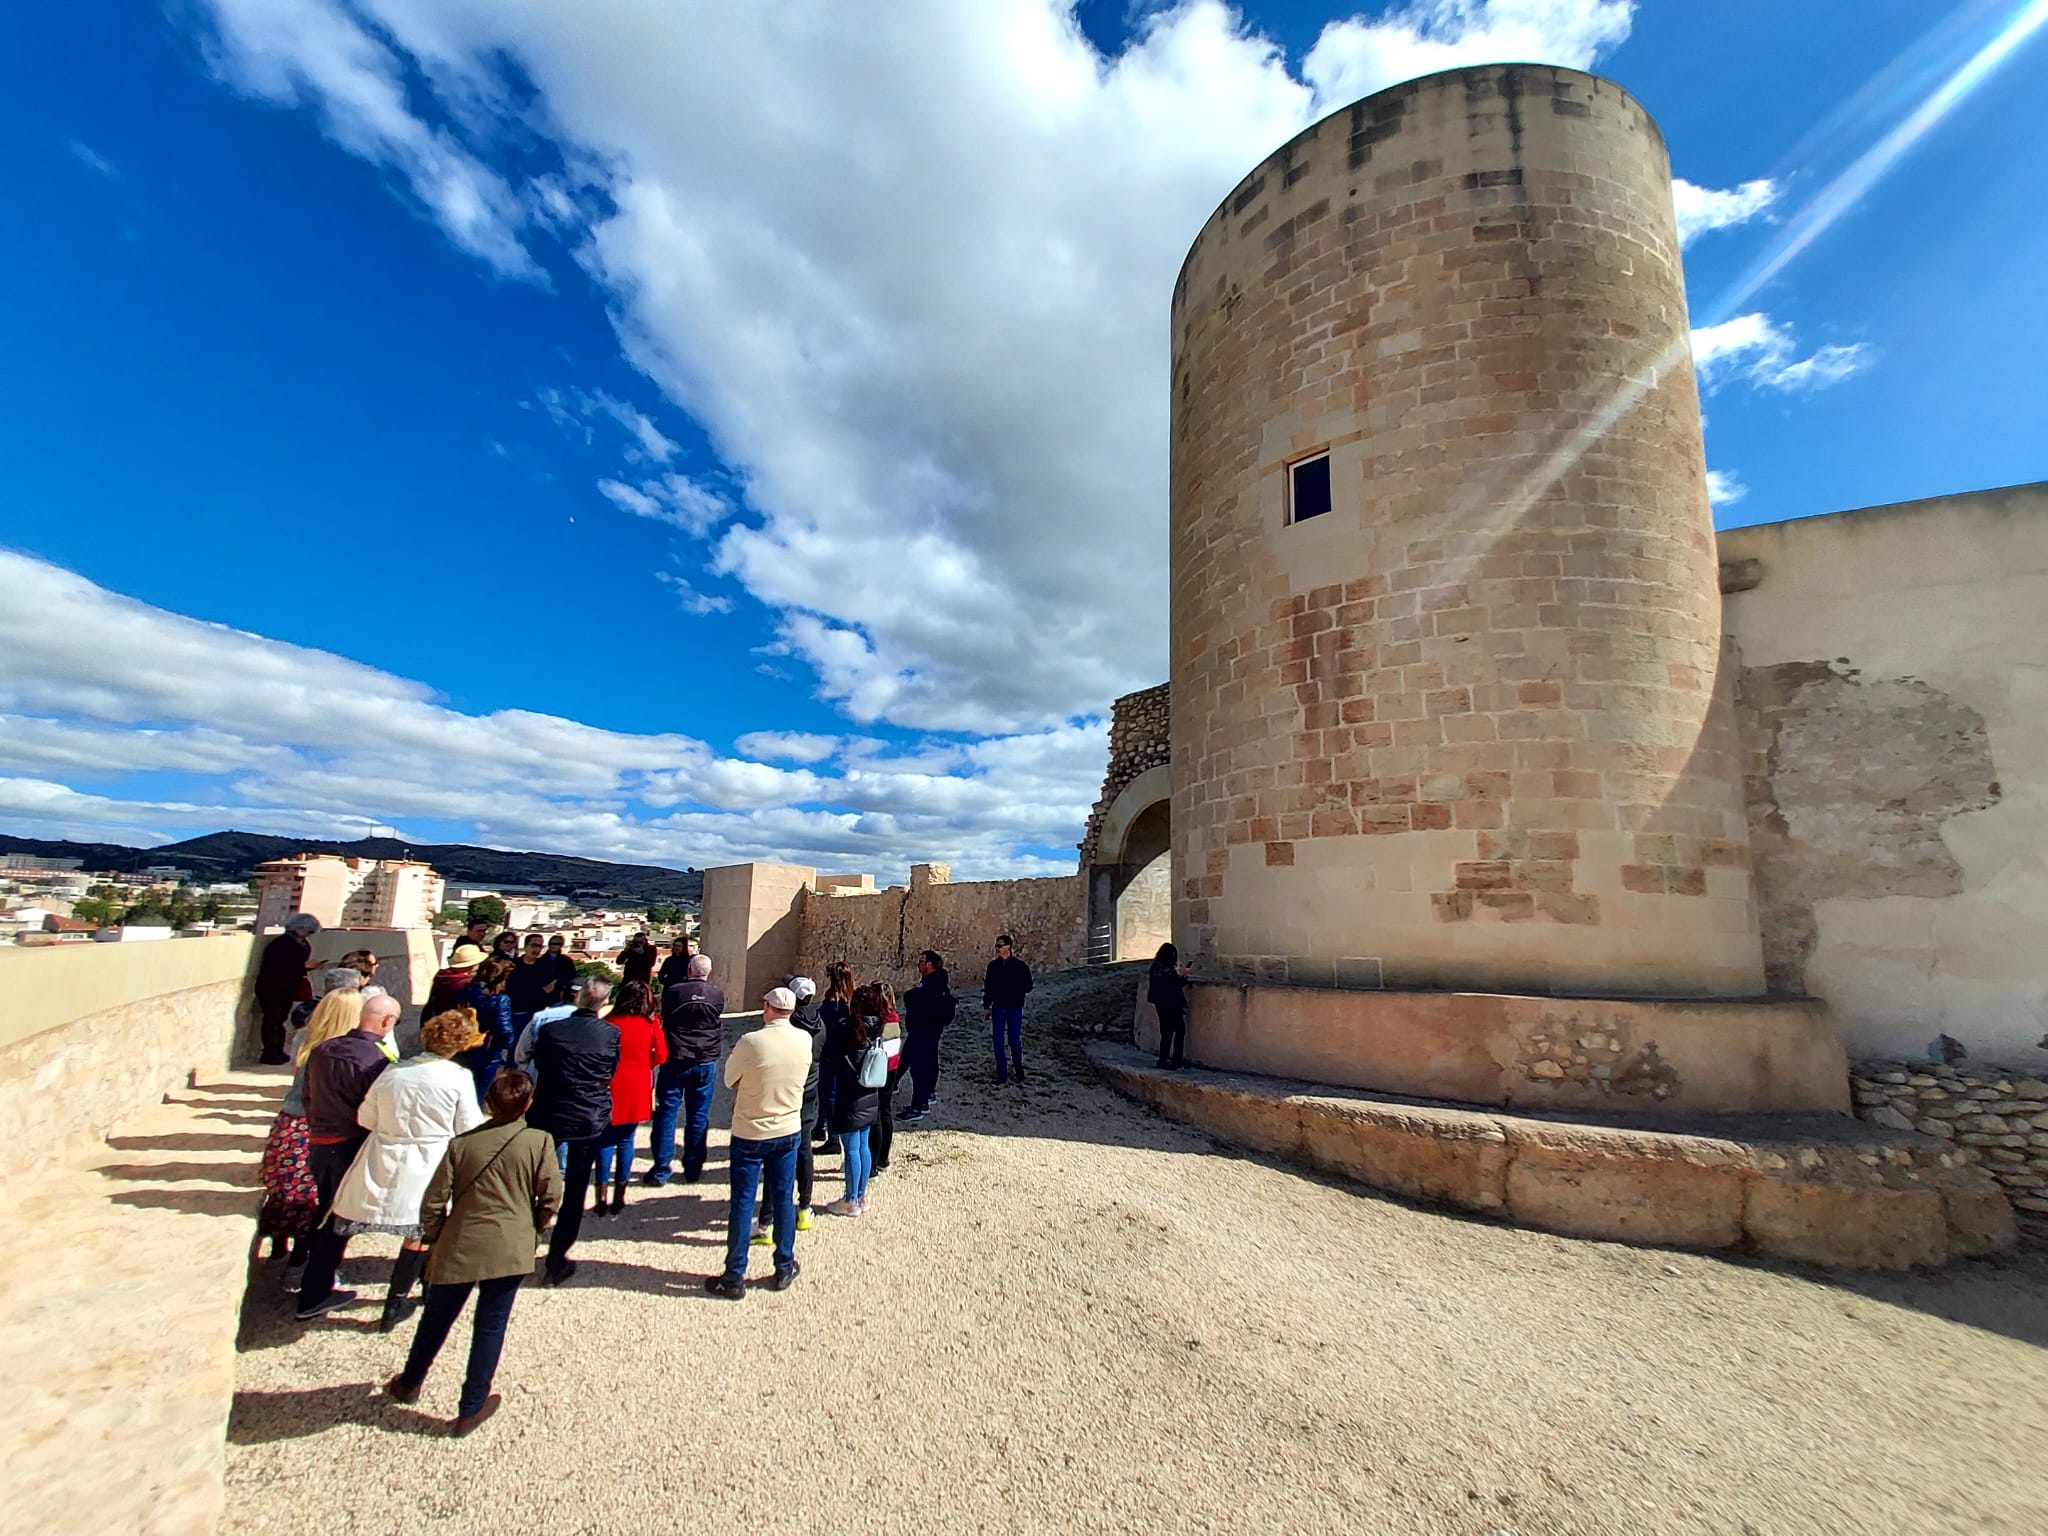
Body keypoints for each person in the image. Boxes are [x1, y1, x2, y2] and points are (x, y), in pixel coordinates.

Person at [385, 1068, 563, 1437]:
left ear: (488, 1104)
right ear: (528, 1104)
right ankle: (471, 1406)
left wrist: (435, 1236)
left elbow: (433, 1202)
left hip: (460, 1241)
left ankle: (410, 1380)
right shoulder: (538, 1142)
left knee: (436, 1318)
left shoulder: (461, 1145)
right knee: (490, 1325)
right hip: (510, 1242)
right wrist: (535, 1227)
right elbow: (551, 1194)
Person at [329, 1008, 488, 1331]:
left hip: (385, 1153)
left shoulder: (393, 1073)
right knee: (421, 1234)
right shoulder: (458, 1078)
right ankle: (396, 1302)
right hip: (430, 1160)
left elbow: (366, 1118)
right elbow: (468, 1127)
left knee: (363, 1220)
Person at [292, 992, 399, 1320]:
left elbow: (308, 1097)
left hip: (320, 1141)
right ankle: (315, 1292)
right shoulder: (378, 1060)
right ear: (386, 1022)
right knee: (338, 1219)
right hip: (351, 1144)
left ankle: (302, 1270)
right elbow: (380, 1110)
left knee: (325, 1209)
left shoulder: (323, 1050)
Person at [705, 987, 809, 1300]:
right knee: (783, 1199)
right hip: (788, 1129)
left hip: (750, 1132)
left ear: (767, 1008)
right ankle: (784, 1264)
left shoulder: (751, 1042)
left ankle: (734, 1275)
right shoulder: (803, 1039)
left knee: (742, 1202)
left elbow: (729, 1079)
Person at [258, 986, 364, 1286]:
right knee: (314, 1197)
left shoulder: (304, 1038)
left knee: (285, 1189)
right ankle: (299, 1262)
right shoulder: (344, 1049)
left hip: (289, 1121)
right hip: (319, 1127)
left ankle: (280, 1247)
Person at [527, 976, 620, 1285]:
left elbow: (537, 1063)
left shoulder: (551, 1030)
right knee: (576, 1190)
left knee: (534, 1181)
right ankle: (556, 1259)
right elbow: (611, 1070)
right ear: (604, 1002)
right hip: (587, 1116)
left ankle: (523, 1245)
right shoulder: (609, 1034)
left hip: (549, 1110)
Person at [647, 953, 725, 1186]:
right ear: (708, 973)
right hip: (704, 1060)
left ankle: (661, 1169)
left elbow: (664, 1016)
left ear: (689, 970)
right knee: (698, 1116)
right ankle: (693, 1168)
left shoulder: (673, 992)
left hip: (676, 1058)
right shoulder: (717, 994)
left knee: (667, 1114)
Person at [756, 977, 824, 1242]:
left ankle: (767, 1221)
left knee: (777, 1156)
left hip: (784, 1095)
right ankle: (805, 1209)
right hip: (809, 1094)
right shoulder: (821, 1026)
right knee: (804, 1153)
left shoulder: (788, 1028)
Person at [593, 979, 666, 1215]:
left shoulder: (608, 1022)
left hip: (609, 1084)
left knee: (604, 1141)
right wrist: (646, 1064)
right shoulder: (649, 1023)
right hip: (637, 1084)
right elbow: (662, 1054)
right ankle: (620, 1195)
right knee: (626, 1140)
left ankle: (601, 1196)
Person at [824, 1007, 882, 1218]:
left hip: (849, 1096)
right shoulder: (877, 1029)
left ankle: (850, 1200)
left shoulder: (847, 1030)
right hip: (869, 1095)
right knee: (863, 1147)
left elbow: (830, 1057)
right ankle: (860, 1196)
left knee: (851, 1148)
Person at [253, 913, 320, 1064]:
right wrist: (302, 966)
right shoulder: (282, 943)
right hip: (273, 987)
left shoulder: (301, 944)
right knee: (272, 1019)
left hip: (288, 986)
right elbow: (277, 966)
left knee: (280, 1019)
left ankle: (278, 1050)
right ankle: (270, 1052)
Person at [899, 951, 956, 1124]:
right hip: (928, 1029)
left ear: (930, 964)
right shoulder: (938, 982)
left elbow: (911, 997)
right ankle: (927, 1094)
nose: (919, 964)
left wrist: (912, 996)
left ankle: (919, 1105)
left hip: (923, 1029)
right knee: (925, 1061)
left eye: (922, 961)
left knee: (919, 1068)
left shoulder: (931, 984)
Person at [459, 956, 517, 1104]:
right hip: (487, 1048)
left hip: (462, 1043)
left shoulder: (467, 991)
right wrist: (508, 1044)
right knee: (478, 1093)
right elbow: (504, 1028)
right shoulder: (500, 999)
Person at [814, 962, 856, 1155]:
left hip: (830, 1053)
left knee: (828, 1094)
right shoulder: (853, 1000)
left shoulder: (831, 1001)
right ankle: (821, 1127)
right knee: (830, 1094)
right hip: (847, 1054)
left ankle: (832, 1138)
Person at [983, 934, 1035, 1085]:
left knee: (1014, 1041)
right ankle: (1002, 1074)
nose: (997, 949)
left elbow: (1028, 986)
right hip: (999, 1007)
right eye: (996, 946)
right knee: (998, 1042)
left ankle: (1019, 1069)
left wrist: (1016, 991)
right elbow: (989, 987)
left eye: (1000, 946)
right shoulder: (993, 967)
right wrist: (987, 1006)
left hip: (1014, 1007)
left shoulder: (1020, 967)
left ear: (1008, 947)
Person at [868, 980, 904, 1173]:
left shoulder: (880, 1021)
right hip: (892, 1067)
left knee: (877, 1115)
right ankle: (883, 1158)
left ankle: (874, 1160)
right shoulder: (894, 1018)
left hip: (881, 1070)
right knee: (885, 1112)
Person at [423, 943, 486, 1031]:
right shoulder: (464, 984)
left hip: (436, 1021)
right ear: (472, 965)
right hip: (454, 1026)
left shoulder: (442, 975)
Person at [1150, 942, 1192, 1069]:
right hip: (1165, 1003)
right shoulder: (1158, 967)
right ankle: (1164, 1060)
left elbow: (1175, 983)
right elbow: (1168, 982)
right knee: (1168, 1032)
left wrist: (1184, 975)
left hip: (1171, 1003)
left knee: (1178, 1031)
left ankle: (1175, 1060)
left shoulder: (1165, 967)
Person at [541, 934, 579, 1007]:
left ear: (561, 945)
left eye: (556, 944)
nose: (553, 946)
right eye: (551, 943)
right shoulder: (540, 961)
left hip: (560, 996)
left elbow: (572, 978)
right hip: (543, 996)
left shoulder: (567, 961)